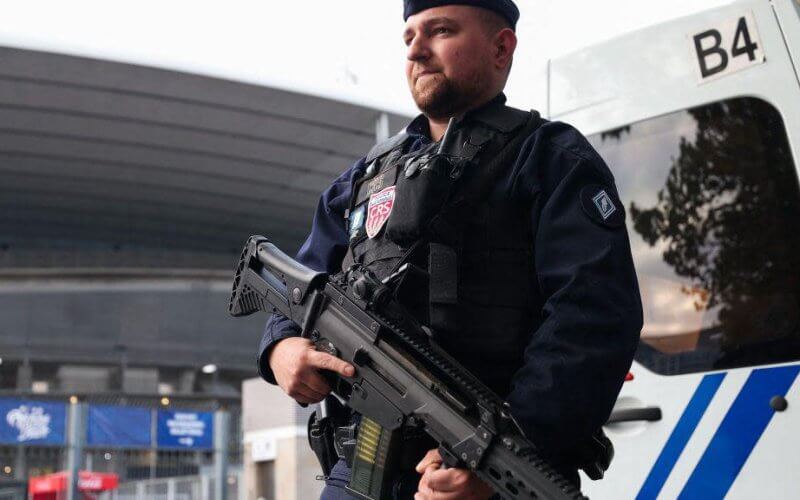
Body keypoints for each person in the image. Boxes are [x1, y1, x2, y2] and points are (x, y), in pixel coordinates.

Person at [257, 1, 643, 499]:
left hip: (491, 471)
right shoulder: (366, 176)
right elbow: (300, 279)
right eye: (409, 37)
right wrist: (281, 347)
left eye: (440, 31)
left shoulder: (551, 159)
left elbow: (592, 320)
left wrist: (507, 455)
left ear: (501, 48)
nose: (417, 50)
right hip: (360, 472)